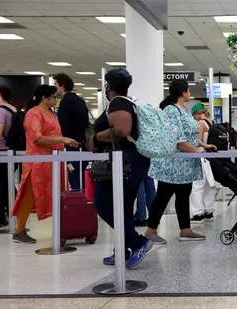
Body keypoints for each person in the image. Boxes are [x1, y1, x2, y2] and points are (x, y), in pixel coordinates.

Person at [92, 69, 153, 269]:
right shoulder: (128, 102)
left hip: (124, 162)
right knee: (123, 206)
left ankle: (138, 243)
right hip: (132, 160)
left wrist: (95, 138)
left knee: (104, 205)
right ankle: (123, 249)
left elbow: (121, 131)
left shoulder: (118, 102)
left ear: (109, 86)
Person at [11, 85, 79, 244]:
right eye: (53, 97)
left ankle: (62, 229)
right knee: (29, 194)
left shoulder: (50, 114)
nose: (56, 100)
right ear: (44, 98)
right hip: (37, 162)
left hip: (53, 162)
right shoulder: (33, 114)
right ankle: (19, 229)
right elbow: (37, 138)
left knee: (58, 194)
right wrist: (63, 140)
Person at [145, 80, 205, 243]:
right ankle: (150, 231)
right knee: (163, 195)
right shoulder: (172, 110)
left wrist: (203, 145)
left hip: (184, 164)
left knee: (184, 193)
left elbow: (190, 135)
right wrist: (196, 151)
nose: (189, 93)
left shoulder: (183, 110)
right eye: (188, 91)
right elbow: (178, 139)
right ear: (183, 92)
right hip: (172, 163)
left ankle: (185, 230)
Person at [53, 73, 89, 190]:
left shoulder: (65, 102)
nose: (55, 88)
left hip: (71, 144)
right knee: (81, 175)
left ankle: (77, 202)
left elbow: (64, 125)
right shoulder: (80, 100)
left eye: (56, 85)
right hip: (82, 144)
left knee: (74, 178)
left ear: (62, 86)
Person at [190, 102, 217, 223]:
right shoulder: (211, 122)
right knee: (210, 185)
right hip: (212, 158)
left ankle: (197, 213)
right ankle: (209, 211)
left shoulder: (201, 123)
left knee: (197, 185)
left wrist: (205, 146)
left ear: (197, 114)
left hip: (202, 156)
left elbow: (198, 140)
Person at [0, 85, 14, 227]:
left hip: (1, 151)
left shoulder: (0, 111)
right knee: (7, 184)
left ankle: (0, 217)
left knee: (0, 185)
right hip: (12, 151)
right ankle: (13, 214)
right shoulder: (13, 109)